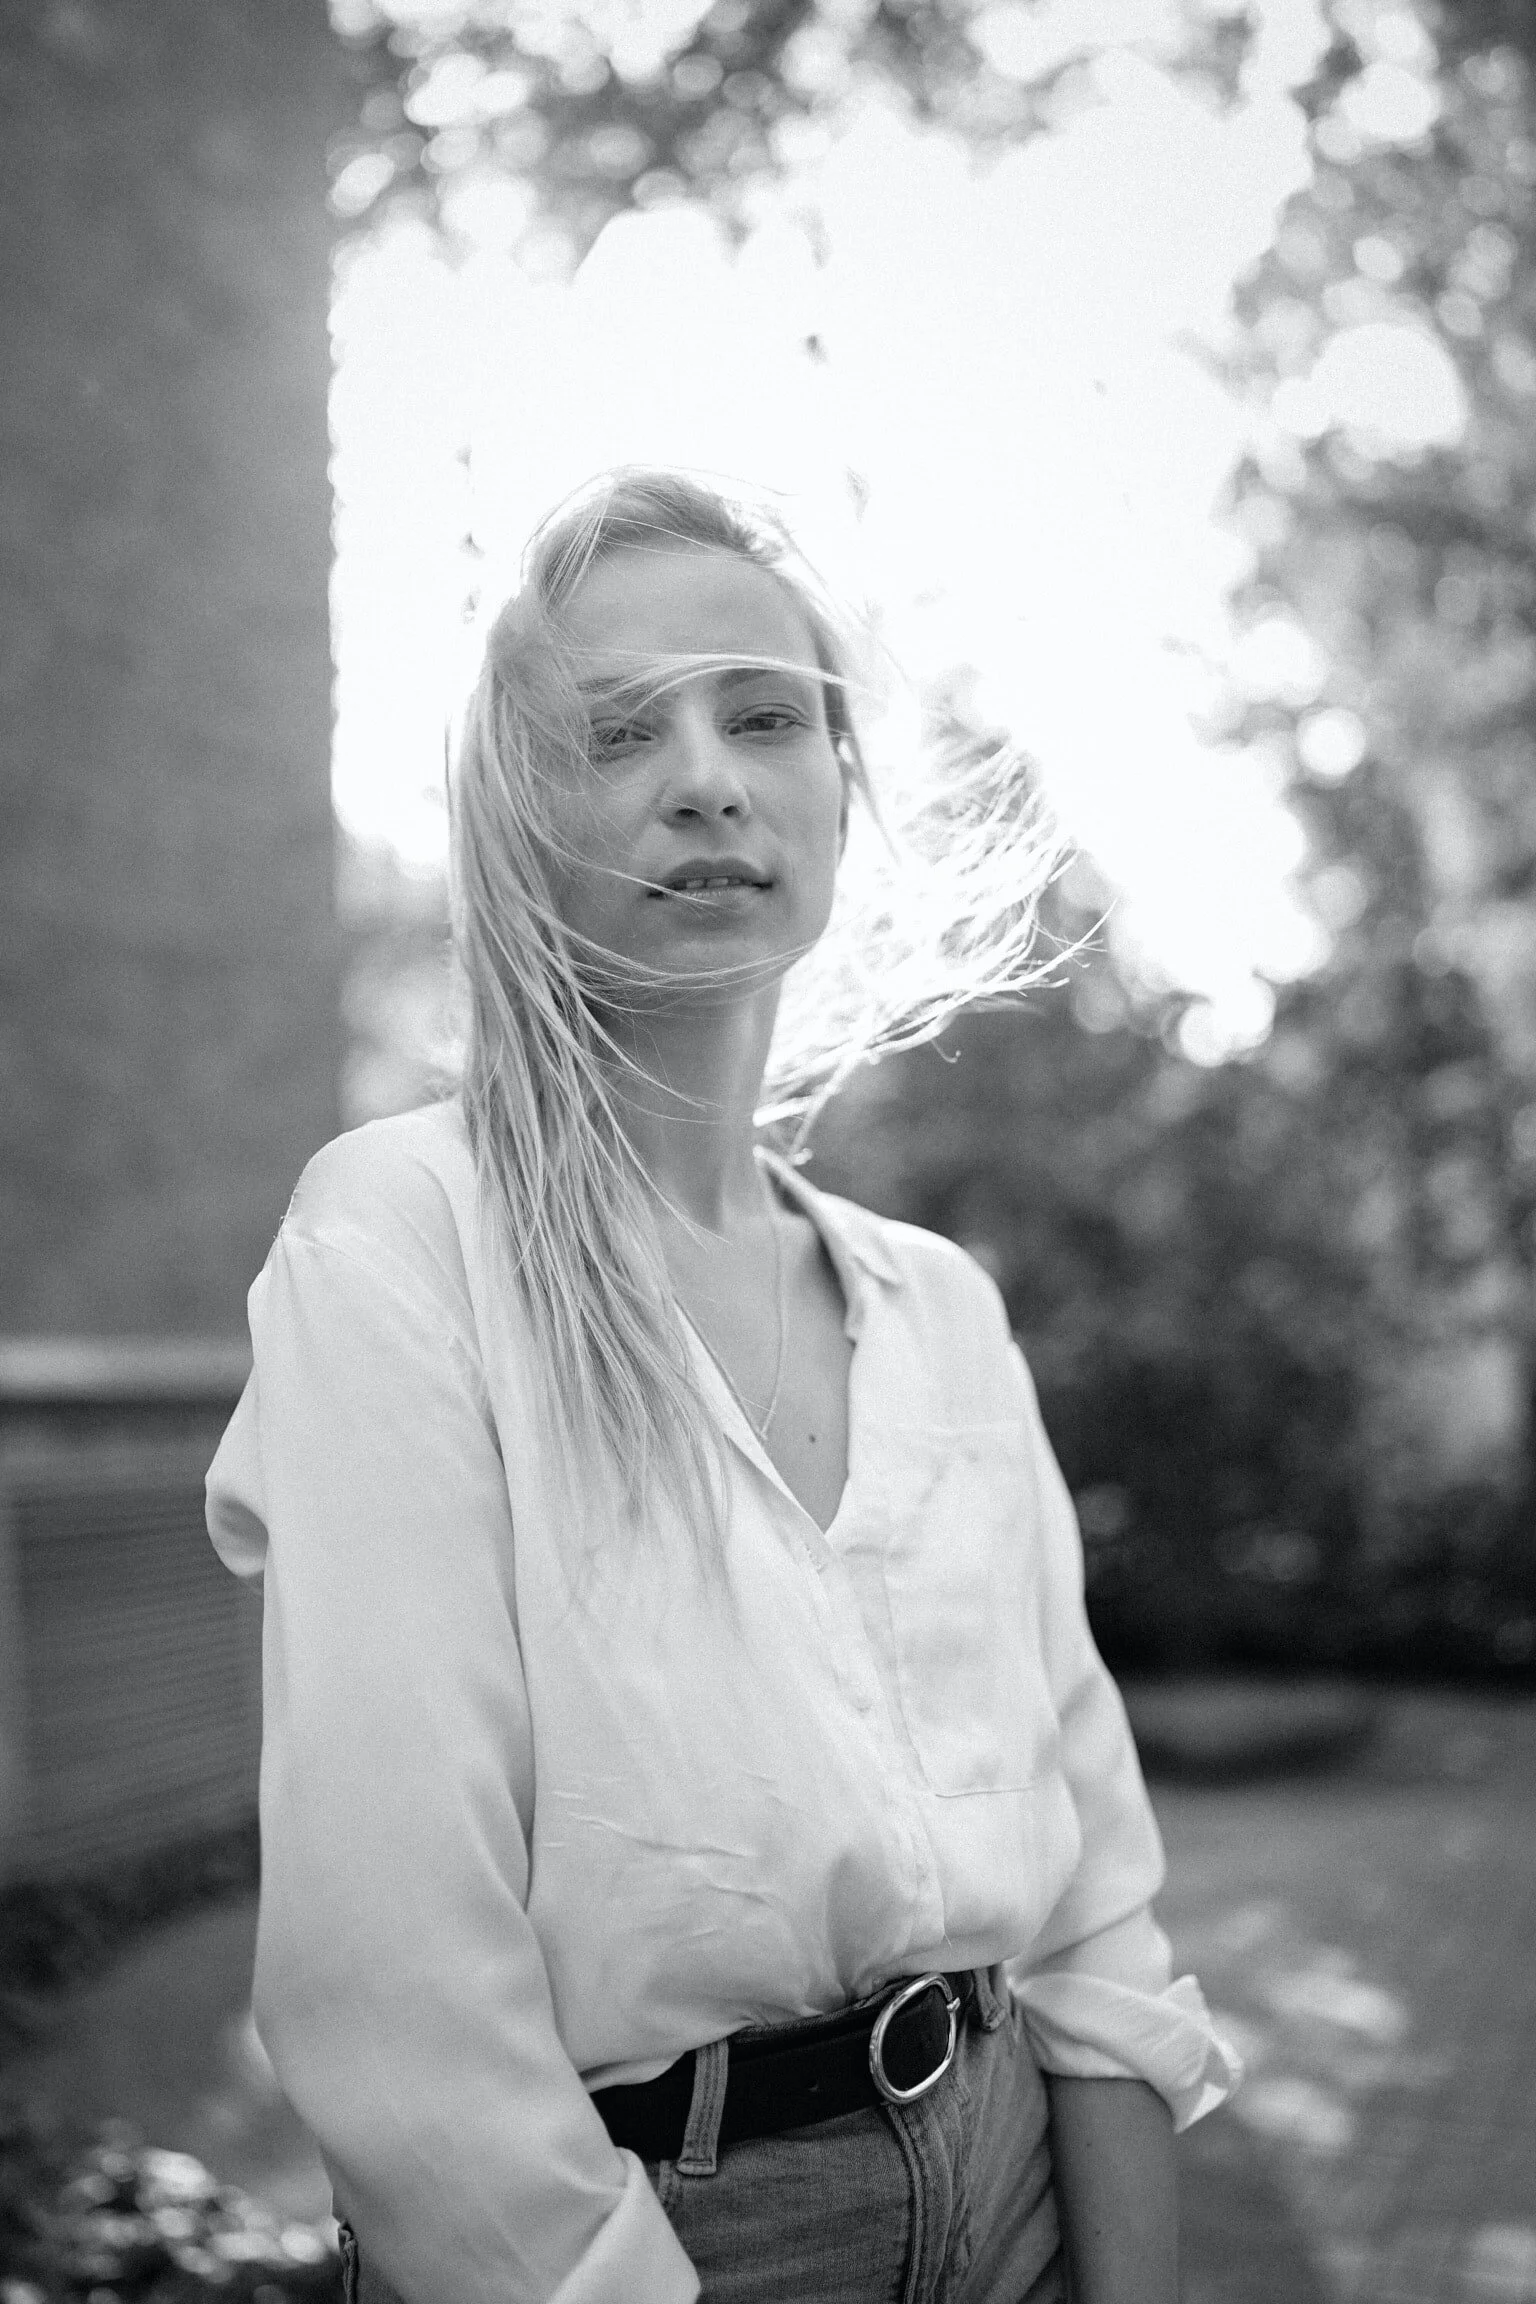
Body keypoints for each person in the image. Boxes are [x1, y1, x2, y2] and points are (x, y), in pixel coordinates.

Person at [205, 469, 1238, 2304]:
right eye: (621, 732)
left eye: (765, 715)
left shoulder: (942, 1313)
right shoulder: (405, 1240)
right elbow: (399, 1997)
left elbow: (1096, 1920)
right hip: (640, 2238)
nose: (708, 775)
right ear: (522, 819)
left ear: (841, 788)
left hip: (1019, 2200)